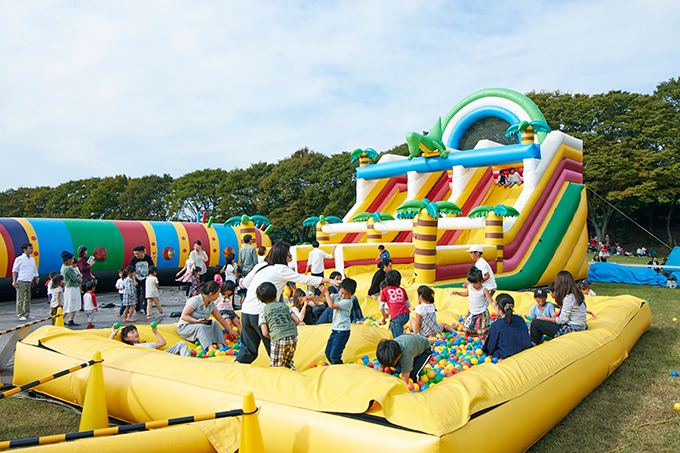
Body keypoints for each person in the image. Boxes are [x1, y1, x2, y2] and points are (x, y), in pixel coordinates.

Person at [235, 241, 332, 364]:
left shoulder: (260, 266)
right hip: (264, 312)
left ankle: (236, 370)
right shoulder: (281, 269)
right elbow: (304, 278)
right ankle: (282, 373)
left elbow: (246, 283)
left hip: (247, 312)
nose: (290, 258)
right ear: (282, 256)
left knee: (248, 349)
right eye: (289, 256)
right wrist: (328, 280)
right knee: (276, 348)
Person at [530, 271, 588, 344]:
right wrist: (556, 306)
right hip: (581, 326)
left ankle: (532, 344)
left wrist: (546, 319)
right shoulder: (578, 294)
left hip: (571, 329)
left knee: (536, 323)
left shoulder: (569, 298)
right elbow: (571, 309)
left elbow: (561, 320)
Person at [177, 281, 235, 350]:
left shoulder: (211, 304)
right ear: (211, 294)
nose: (218, 296)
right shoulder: (195, 300)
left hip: (201, 325)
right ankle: (210, 348)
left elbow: (220, 318)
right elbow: (184, 316)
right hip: (186, 327)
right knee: (200, 327)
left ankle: (221, 346)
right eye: (217, 293)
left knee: (214, 323)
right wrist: (196, 321)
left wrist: (230, 330)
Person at [257, 282, 302, 369]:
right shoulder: (284, 306)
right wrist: (288, 329)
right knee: (288, 362)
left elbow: (265, 333)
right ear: (276, 294)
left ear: (261, 299)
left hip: (278, 337)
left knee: (276, 365)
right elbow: (297, 320)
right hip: (292, 336)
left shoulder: (263, 311)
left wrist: (275, 334)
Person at [451, 266, 497, 340]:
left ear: (481, 281)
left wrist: (498, 309)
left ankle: (484, 347)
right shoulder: (469, 287)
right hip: (472, 312)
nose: (473, 285)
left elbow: (491, 301)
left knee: (482, 334)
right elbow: (466, 293)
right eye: (471, 283)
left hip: (481, 313)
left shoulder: (484, 290)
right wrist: (457, 293)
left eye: (475, 283)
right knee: (466, 330)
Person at [482, 294, 533, 359]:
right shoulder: (520, 319)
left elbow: (489, 349)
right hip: (527, 353)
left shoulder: (497, 325)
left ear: (498, 307)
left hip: (508, 357)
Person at [320, 278, 357, 364]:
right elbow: (323, 299)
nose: (343, 296)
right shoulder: (337, 297)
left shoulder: (347, 302)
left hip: (343, 332)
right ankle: (335, 367)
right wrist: (309, 298)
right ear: (339, 289)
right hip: (335, 330)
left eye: (347, 294)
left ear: (352, 294)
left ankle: (339, 369)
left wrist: (326, 293)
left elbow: (331, 305)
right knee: (328, 353)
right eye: (342, 293)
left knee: (334, 356)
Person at [110, 324, 191, 357]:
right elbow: (109, 344)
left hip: (162, 356)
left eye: (136, 331)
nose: (136, 333)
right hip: (153, 360)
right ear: (126, 338)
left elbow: (162, 343)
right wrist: (114, 332)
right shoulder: (129, 347)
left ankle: (188, 361)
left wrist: (155, 332)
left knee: (181, 343)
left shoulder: (144, 343)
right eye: (132, 333)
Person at [380, 270, 412, 339]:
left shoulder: (385, 290)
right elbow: (408, 305)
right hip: (406, 315)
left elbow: (381, 306)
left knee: (398, 338)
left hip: (397, 316)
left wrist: (384, 315)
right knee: (393, 326)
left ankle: (399, 346)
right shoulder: (402, 290)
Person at [12, 242, 39, 321]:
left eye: (32, 248)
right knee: (20, 298)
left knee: (28, 298)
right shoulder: (19, 259)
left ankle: (27, 313)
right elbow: (14, 270)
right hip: (21, 280)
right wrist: (14, 281)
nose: (32, 250)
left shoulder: (32, 259)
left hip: (29, 280)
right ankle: (20, 314)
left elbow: (34, 269)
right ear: (24, 250)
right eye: (30, 248)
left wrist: (36, 278)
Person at [130, 245, 155, 314]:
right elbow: (132, 271)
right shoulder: (133, 260)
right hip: (137, 279)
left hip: (146, 279)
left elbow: (151, 268)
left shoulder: (147, 258)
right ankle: (137, 309)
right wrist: (134, 280)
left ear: (142, 252)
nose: (136, 255)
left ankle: (145, 308)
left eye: (137, 253)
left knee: (145, 293)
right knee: (137, 293)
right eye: (135, 254)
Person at [60, 251, 81, 326]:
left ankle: (68, 319)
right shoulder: (68, 268)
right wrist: (79, 278)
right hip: (72, 287)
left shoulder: (63, 267)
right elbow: (74, 278)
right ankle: (68, 319)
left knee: (69, 304)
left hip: (68, 287)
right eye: (71, 259)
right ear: (68, 260)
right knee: (72, 303)